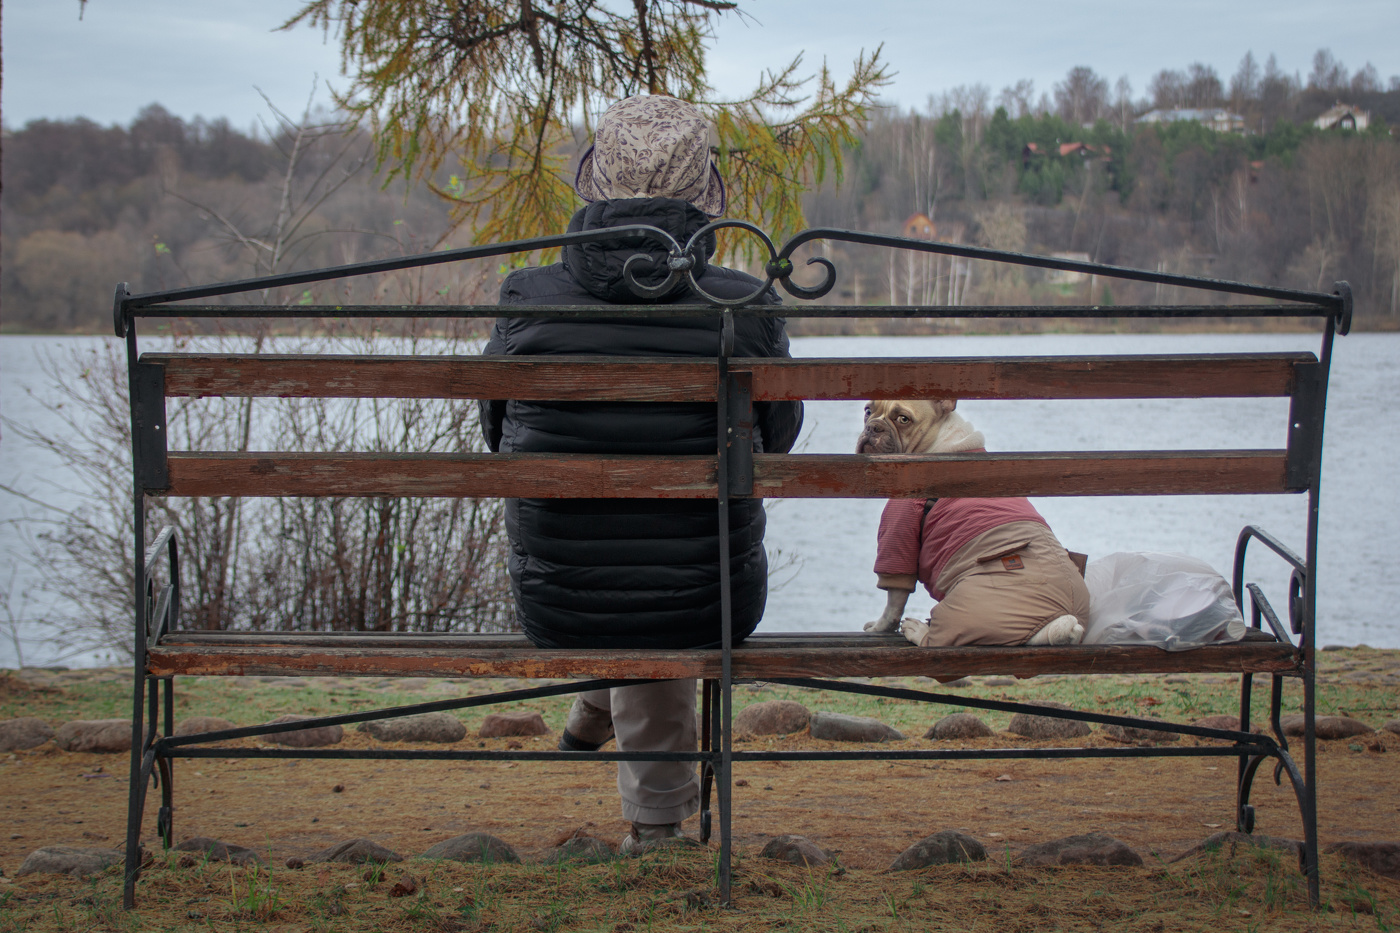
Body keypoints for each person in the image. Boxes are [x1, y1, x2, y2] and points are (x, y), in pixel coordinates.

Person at [479, 95, 803, 851]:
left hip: (557, 595)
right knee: (665, 565)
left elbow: (496, 432)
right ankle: (657, 828)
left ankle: (595, 711)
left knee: (616, 555)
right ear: (706, 192)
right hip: (710, 601)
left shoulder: (529, 296)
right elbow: (779, 441)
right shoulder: (745, 302)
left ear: (595, 178)